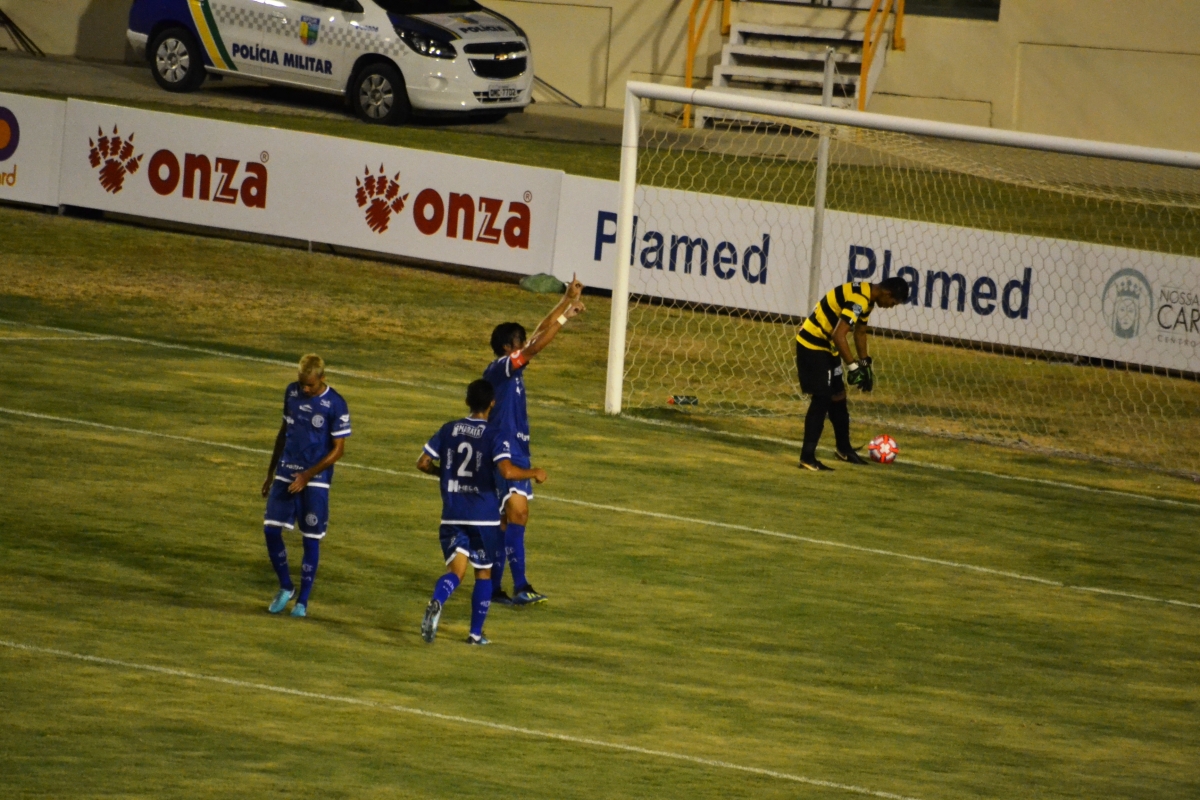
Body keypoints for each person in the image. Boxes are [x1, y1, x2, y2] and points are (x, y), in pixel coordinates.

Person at [417, 380, 547, 645]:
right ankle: (475, 634)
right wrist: (534, 473)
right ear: (492, 403)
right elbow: (507, 472)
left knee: (456, 572)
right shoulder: (494, 434)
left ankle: (438, 600)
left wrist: (444, 473)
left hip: (452, 515)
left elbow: (423, 462)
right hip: (483, 517)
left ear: (467, 402)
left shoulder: (449, 429)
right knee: (483, 573)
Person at [483, 276, 585, 606]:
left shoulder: (511, 367)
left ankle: (495, 588)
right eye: (519, 342)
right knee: (518, 515)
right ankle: (521, 584)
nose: (525, 343)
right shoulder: (501, 368)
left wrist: (566, 301)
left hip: (515, 446)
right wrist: (567, 317)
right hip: (504, 448)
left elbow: (538, 334)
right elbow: (538, 344)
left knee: (504, 522)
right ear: (507, 348)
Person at [260, 354, 351, 617]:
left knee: (311, 538)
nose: (305, 389)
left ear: (322, 378)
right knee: (270, 530)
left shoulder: (336, 404)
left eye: (309, 385)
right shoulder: (291, 393)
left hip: (317, 481)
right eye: (302, 384)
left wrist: (308, 475)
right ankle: (286, 586)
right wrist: (270, 472)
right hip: (286, 472)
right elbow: (283, 432)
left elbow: (339, 450)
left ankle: (303, 601)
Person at [795, 276, 910, 471]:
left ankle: (844, 449)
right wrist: (853, 367)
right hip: (812, 344)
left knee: (838, 395)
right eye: (894, 302)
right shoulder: (860, 299)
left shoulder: (868, 296)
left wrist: (865, 364)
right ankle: (807, 458)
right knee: (822, 398)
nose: (891, 306)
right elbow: (839, 335)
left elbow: (860, 332)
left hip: (827, 346)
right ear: (888, 293)